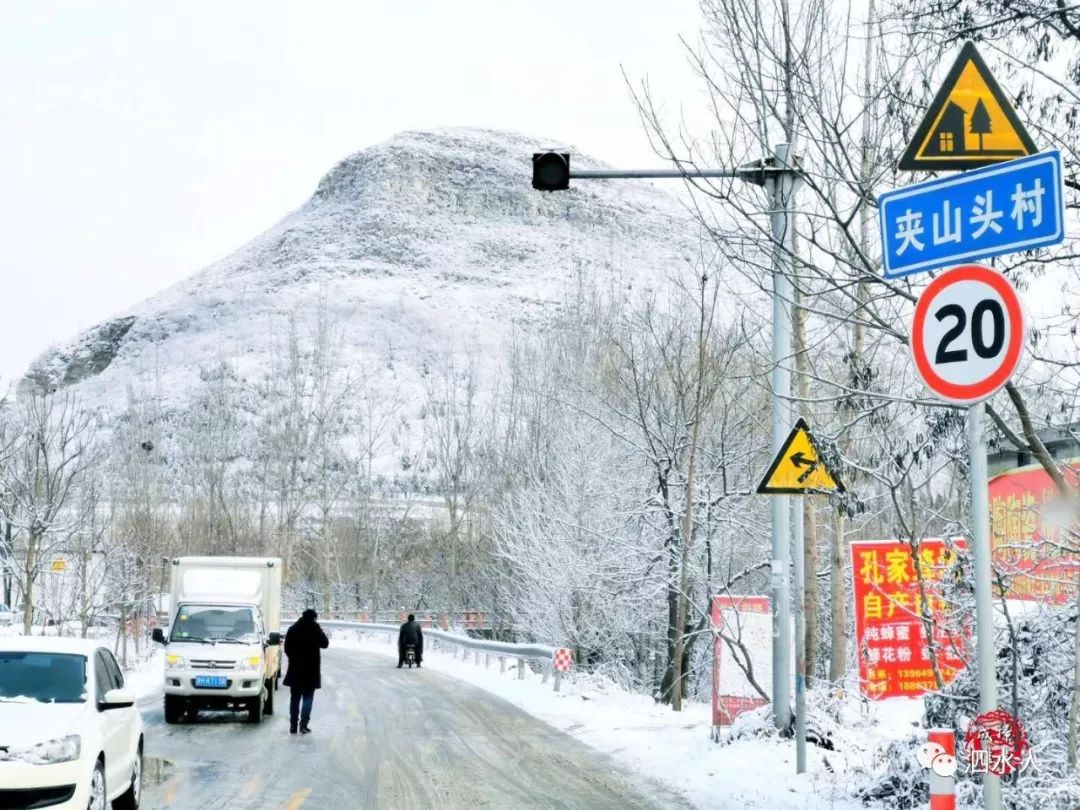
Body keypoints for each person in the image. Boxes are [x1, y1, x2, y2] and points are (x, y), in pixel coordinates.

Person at [283, 608, 329, 734]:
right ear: (314, 618)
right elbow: (325, 644)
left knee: (295, 698)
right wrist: (320, 630)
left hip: (295, 670)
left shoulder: (293, 629)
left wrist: (293, 659)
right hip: (311, 671)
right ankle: (303, 725)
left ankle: (293, 726)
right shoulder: (315, 629)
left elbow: (286, 649)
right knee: (308, 698)